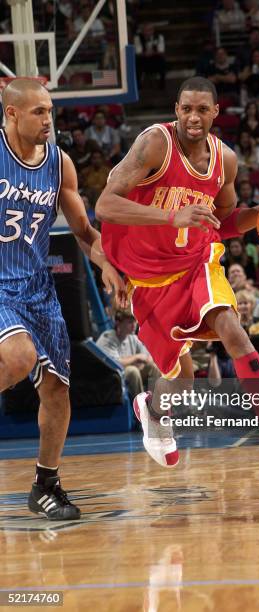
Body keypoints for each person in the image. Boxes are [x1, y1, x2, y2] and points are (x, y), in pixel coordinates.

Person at [97, 76, 259, 490]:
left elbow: (225, 222)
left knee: (234, 332)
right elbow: (105, 204)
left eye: (202, 109)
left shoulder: (225, 161)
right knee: (181, 380)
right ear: (176, 110)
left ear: (216, 112)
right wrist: (171, 216)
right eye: (185, 109)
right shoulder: (155, 144)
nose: (193, 117)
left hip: (197, 261)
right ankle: (155, 412)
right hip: (147, 276)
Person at [0, 77, 126, 520]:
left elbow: (85, 231)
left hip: (38, 290)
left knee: (56, 389)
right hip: (0, 286)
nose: (49, 119)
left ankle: (45, 484)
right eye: (39, 112)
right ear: (12, 113)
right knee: (17, 358)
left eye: (50, 111)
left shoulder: (60, 164)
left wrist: (105, 262)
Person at [96, 309, 159, 398]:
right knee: (132, 371)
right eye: (130, 322)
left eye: (135, 322)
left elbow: (148, 358)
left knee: (154, 367)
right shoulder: (107, 338)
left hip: (128, 374)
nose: (134, 326)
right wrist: (136, 358)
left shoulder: (133, 338)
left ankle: (156, 407)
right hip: (111, 378)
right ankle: (140, 409)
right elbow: (113, 364)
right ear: (118, 323)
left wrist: (144, 360)